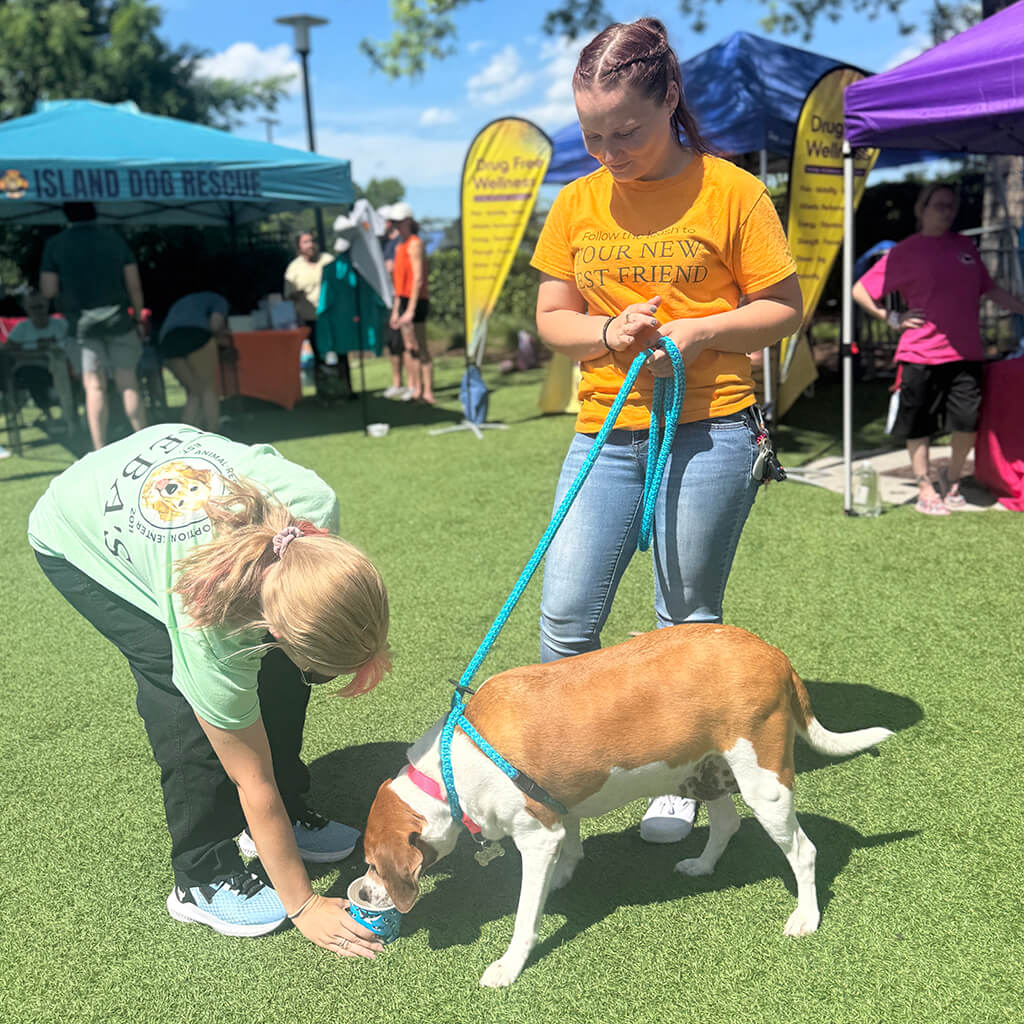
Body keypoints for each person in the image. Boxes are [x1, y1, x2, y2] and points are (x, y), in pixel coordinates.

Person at [530, 18, 802, 844]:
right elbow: (551, 319)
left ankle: (678, 770)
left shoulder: (733, 192)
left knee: (686, 618)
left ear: (670, 99)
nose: (609, 150)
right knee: (567, 613)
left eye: (628, 131)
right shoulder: (577, 202)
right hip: (606, 430)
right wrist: (608, 335)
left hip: (713, 427)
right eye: (592, 134)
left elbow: (783, 309)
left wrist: (703, 330)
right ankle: (564, 762)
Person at [28, 424, 391, 955]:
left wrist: (300, 669)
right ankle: (201, 873)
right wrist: (304, 904)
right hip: (72, 529)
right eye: (320, 670)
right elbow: (251, 778)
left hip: (155, 460)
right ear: (282, 629)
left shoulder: (315, 507)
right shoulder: (208, 621)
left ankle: (284, 816)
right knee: (181, 696)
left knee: (279, 673)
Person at [852, 182, 1024, 515]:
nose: (947, 211)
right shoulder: (906, 251)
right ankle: (924, 486)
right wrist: (892, 317)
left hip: (967, 355)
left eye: (951, 206)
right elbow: (860, 290)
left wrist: (1021, 307)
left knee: (966, 424)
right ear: (923, 208)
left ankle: (952, 479)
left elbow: (990, 289)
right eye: (939, 205)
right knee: (919, 426)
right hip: (919, 354)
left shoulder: (965, 247)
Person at [39, 202, 147, 450]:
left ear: (66, 214)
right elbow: (134, 284)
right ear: (95, 212)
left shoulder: (56, 244)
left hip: (82, 328)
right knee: (129, 384)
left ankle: (100, 449)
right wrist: (138, 317)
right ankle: (145, 442)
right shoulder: (113, 239)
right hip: (120, 322)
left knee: (94, 388)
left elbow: (48, 289)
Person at [284, 231, 353, 401]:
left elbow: (343, 282)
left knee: (341, 352)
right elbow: (287, 294)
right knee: (318, 355)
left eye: (312, 241)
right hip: (312, 318)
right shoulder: (294, 268)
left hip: (334, 315)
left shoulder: (328, 260)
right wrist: (297, 295)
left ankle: (347, 389)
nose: (310, 245)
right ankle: (324, 391)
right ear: (299, 246)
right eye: (306, 242)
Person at [157, 291, 231, 431]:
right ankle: (213, 430)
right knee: (208, 387)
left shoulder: (183, 301)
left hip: (168, 341)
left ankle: (185, 433)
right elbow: (215, 325)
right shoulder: (219, 300)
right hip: (195, 335)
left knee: (194, 391)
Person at [5, 289, 76, 431]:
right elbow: (9, 351)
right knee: (30, 374)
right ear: (27, 309)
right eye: (33, 307)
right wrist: (38, 354)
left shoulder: (61, 324)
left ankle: (70, 417)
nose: (37, 311)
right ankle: (49, 416)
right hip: (35, 369)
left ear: (46, 306)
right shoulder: (22, 328)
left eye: (40, 306)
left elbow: (73, 345)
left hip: (63, 367)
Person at [388, 202, 434, 404]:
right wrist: (396, 311)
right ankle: (415, 388)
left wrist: (411, 310)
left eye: (399, 222)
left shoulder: (415, 244)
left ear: (407, 222)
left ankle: (428, 392)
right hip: (405, 301)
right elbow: (399, 285)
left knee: (421, 347)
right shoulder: (399, 246)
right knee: (409, 348)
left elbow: (417, 279)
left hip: (417, 301)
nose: (396, 227)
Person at [379, 209, 410, 399]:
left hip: (400, 298)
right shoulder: (384, 244)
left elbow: (395, 270)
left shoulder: (400, 243)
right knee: (393, 343)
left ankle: (412, 384)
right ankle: (397, 383)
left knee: (406, 343)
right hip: (389, 298)